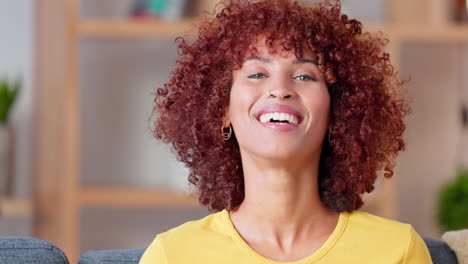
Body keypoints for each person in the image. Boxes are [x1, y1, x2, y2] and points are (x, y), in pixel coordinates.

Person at [140, 0, 433, 263]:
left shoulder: (398, 249)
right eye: (256, 74)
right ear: (222, 111)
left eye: (304, 75)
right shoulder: (172, 254)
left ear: (337, 113)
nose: (280, 90)